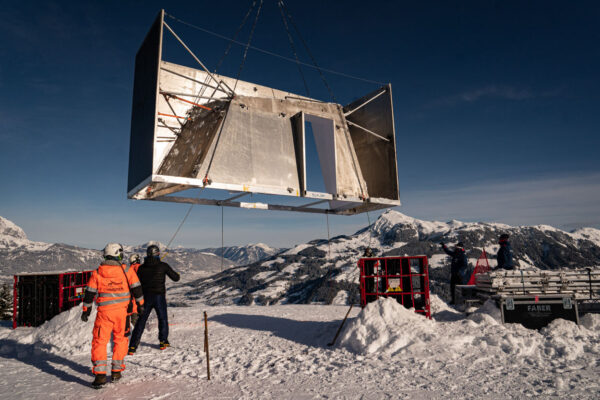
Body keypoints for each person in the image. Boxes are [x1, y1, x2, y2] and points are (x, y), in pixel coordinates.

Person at [81, 243, 144, 389]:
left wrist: (86, 310)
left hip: (104, 313)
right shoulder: (127, 270)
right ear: (118, 254)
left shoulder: (97, 272)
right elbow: (137, 289)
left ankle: (100, 375)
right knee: (121, 340)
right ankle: (116, 371)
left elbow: (89, 293)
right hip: (122, 314)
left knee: (99, 342)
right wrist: (140, 305)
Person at [128, 244, 180, 354]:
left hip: (145, 297)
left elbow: (136, 283)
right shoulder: (163, 266)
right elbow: (176, 278)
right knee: (162, 318)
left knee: (141, 321)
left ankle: (132, 346)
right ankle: (163, 341)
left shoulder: (141, 268)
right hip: (159, 296)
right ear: (158, 254)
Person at [127, 254, 142, 328]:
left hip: (131, 294)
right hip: (140, 293)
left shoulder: (129, 269)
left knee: (134, 310)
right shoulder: (140, 267)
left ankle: (133, 325)